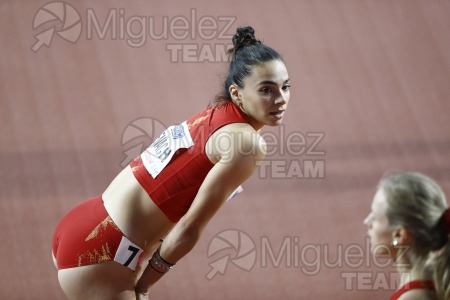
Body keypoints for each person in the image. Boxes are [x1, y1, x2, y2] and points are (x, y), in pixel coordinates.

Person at [52, 26, 291, 299]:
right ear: (236, 94)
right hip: (105, 252)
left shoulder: (217, 112)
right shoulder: (246, 143)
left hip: (87, 219)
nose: (281, 99)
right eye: (266, 90)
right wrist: (144, 285)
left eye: (285, 87)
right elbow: (189, 228)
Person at [364, 171, 450, 300]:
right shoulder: (434, 280)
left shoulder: (413, 297)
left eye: (374, 217)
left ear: (399, 235)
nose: (366, 222)